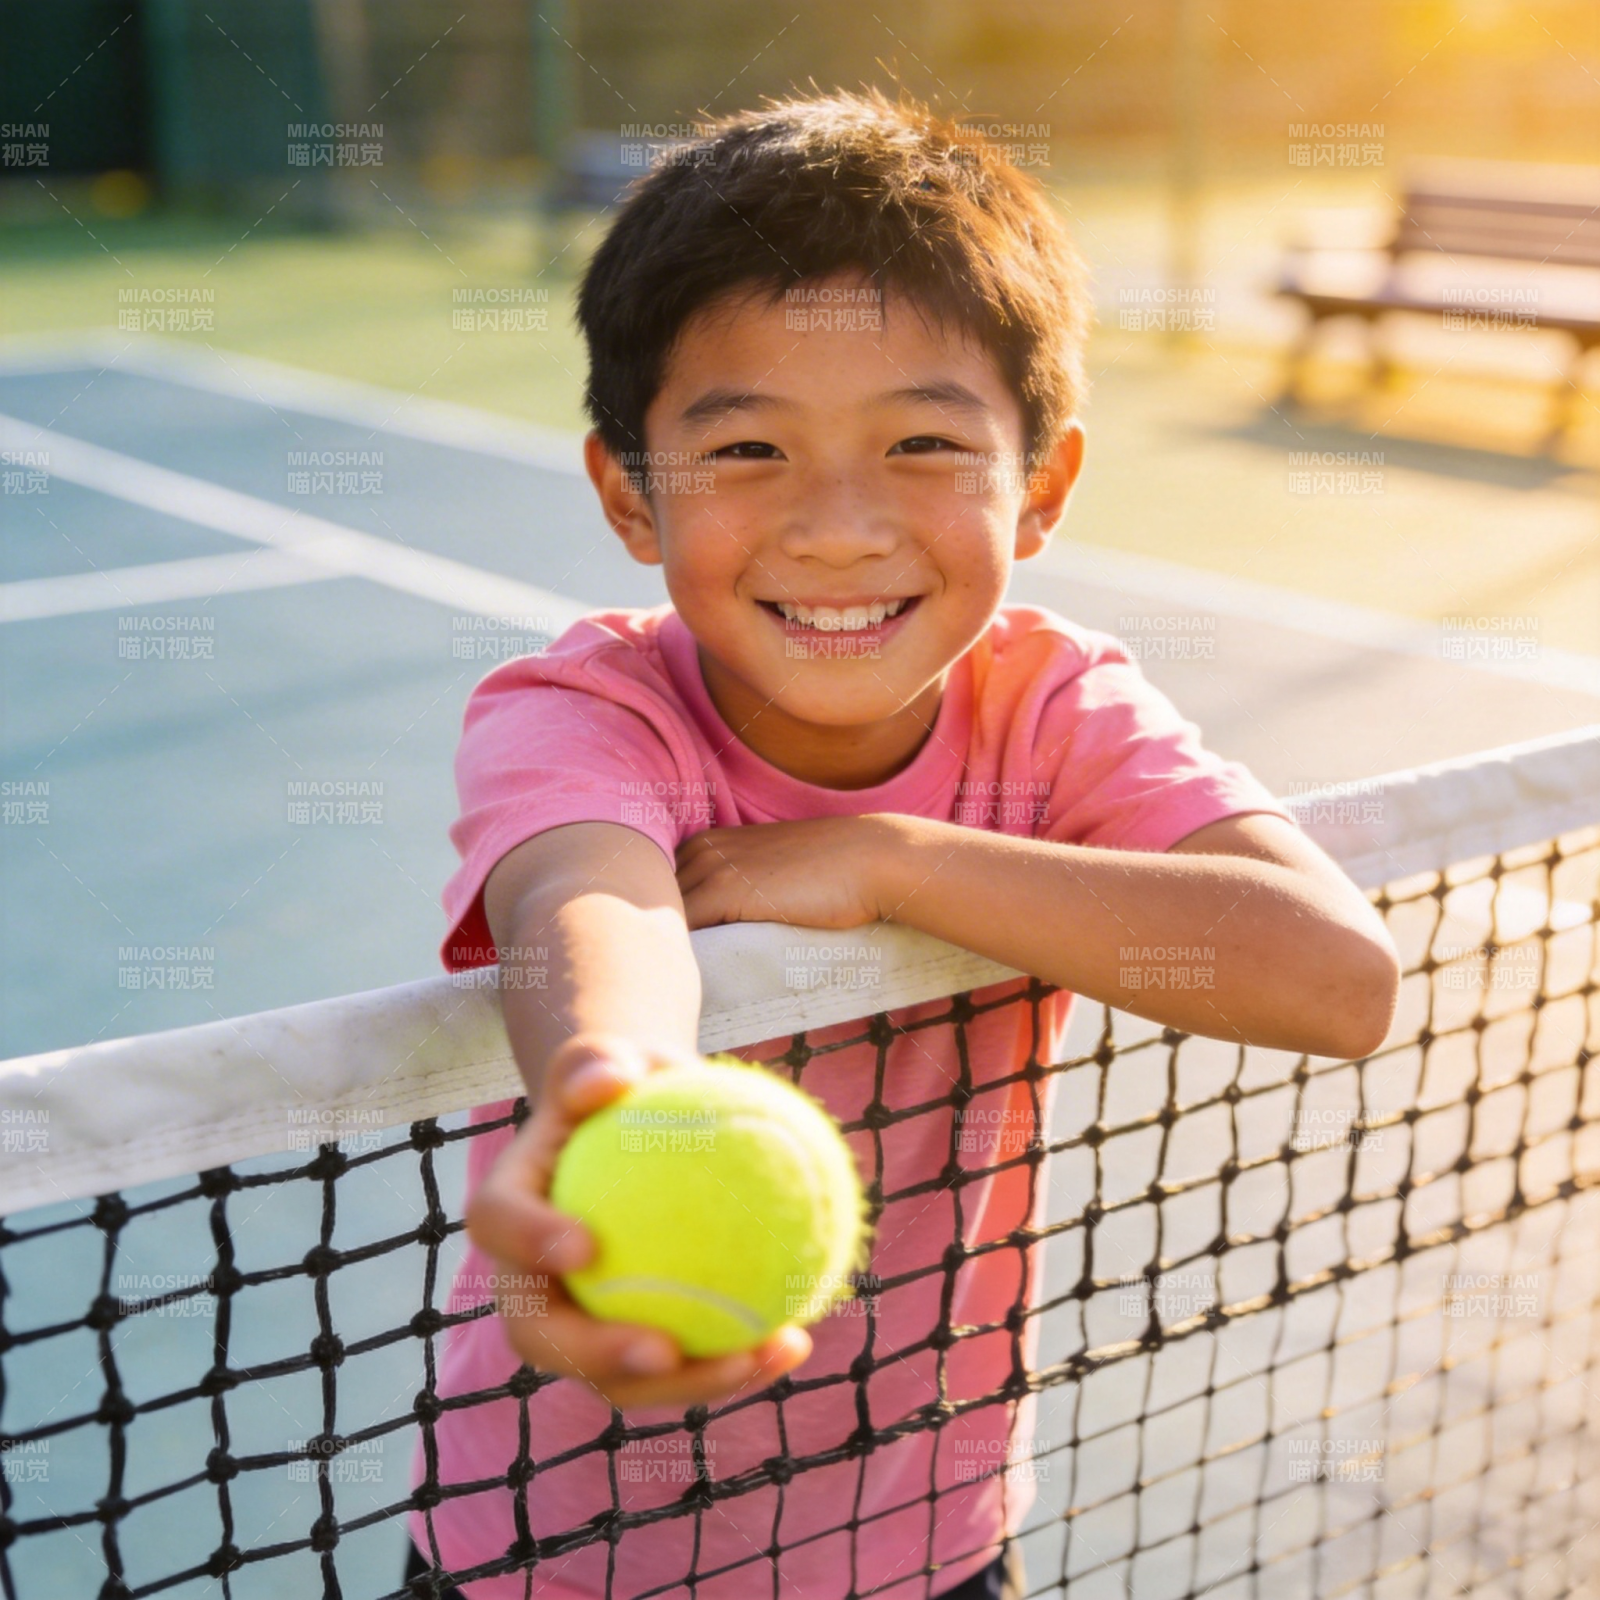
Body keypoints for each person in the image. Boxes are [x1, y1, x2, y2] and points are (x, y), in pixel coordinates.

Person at [406, 86, 1401, 1599]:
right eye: (748, 449)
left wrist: (895, 861)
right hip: (545, 1558)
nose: (841, 527)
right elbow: (587, 907)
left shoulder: (1055, 710)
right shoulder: (580, 713)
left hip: (923, 1546)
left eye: (925, 442)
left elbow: (1335, 978)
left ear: (1041, 487)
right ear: (629, 494)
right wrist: (616, 1096)